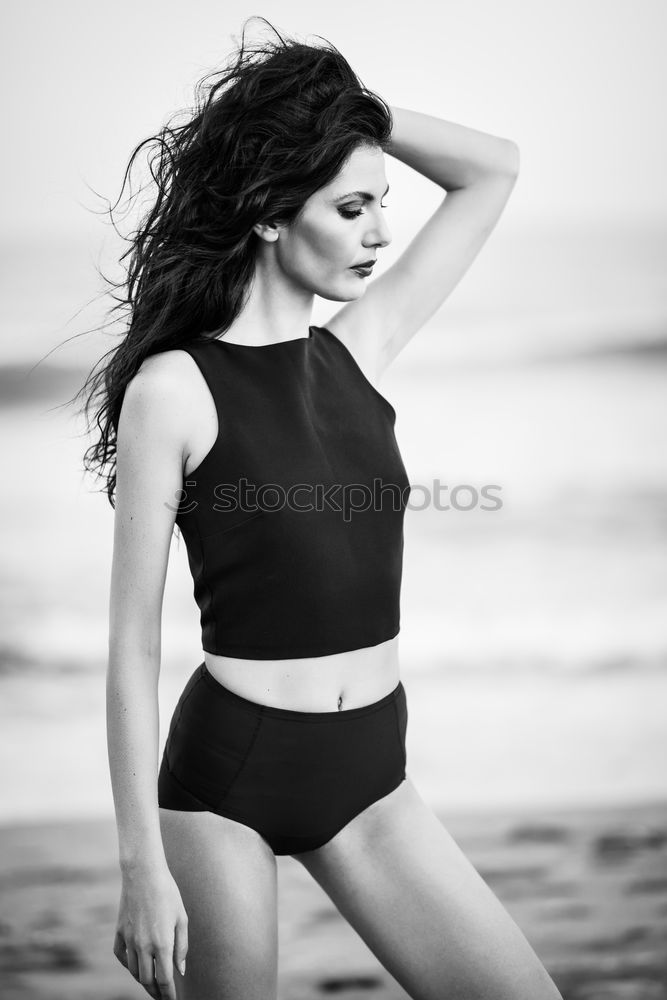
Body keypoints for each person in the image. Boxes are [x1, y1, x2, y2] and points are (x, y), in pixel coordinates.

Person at [79, 16, 563, 1000]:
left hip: (373, 777)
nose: (381, 232)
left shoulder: (356, 346)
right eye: (350, 207)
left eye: (383, 202)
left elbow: (493, 169)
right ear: (268, 212)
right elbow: (132, 646)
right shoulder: (173, 390)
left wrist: (350, 113)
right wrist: (143, 867)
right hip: (229, 785)